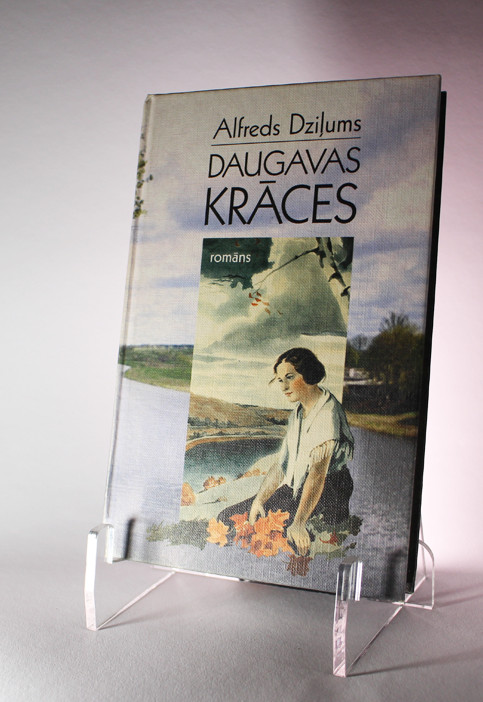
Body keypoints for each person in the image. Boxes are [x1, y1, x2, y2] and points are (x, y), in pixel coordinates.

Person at [218, 347, 354, 556]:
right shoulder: (298, 413)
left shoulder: (327, 412)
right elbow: (281, 465)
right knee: (227, 518)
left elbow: (317, 475)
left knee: (286, 539)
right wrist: (259, 500)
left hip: (327, 492)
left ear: (308, 375)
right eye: (280, 380)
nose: (284, 386)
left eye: (290, 377)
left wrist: (299, 523)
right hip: (297, 488)